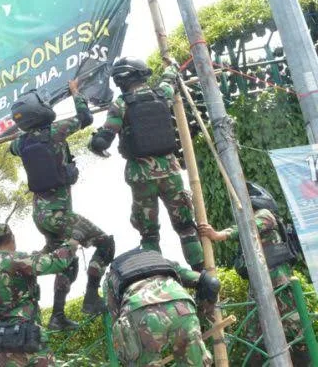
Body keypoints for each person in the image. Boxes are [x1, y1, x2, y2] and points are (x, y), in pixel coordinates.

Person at [10, 80, 115, 330]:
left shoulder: (21, 143)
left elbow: (12, 148)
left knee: (67, 259)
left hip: (40, 217)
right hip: (59, 215)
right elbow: (85, 117)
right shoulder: (56, 131)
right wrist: (76, 92)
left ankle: (57, 315)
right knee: (105, 244)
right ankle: (91, 297)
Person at [89, 58, 204, 271]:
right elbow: (169, 78)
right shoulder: (161, 94)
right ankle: (202, 273)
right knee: (186, 227)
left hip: (140, 176)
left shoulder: (121, 104)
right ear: (141, 74)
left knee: (149, 233)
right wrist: (172, 65)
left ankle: (157, 274)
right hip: (170, 171)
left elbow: (103, 139)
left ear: (121, 80)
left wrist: (96, 145)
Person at [199, 181, 309, 365]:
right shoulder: (249, 221)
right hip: (258, 285)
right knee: (254, 337)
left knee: (294, 331)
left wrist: (219, 235)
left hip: (278, 281)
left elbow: (250, 227)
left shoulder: (265, 215)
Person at [0, 223, 79, 367]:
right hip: (25, 336)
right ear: (12, 238)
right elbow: (57, 262)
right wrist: (73, 241)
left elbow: (34, 260)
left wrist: (47, 248)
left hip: (1, 339)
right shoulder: (15, 259)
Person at [105, 247, 218, 366]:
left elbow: (116, 320)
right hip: (182, 308)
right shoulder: (162, 261)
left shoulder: (112, 276)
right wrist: (203, 312)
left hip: (140, 312)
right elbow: (212, 283)